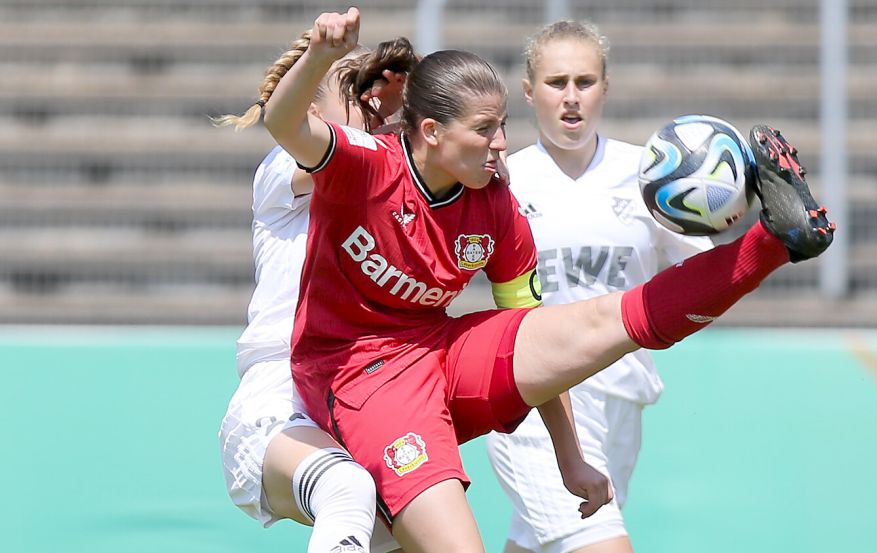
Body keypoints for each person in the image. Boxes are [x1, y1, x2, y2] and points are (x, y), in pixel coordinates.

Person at [263, 8, 834, 553]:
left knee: (604, 318)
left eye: (503, 126)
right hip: (359, 374)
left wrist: (571, 456)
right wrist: (319, 55)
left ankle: (774, 243)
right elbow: (284, 122)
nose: (502, 144)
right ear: (433, 131)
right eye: (485, 129)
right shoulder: (365, 165)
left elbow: (530, 335)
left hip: (440, 351)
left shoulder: (495, 205)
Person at [484, 20, 714, 553]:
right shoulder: (502, 181)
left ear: (605, 88)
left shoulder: (653, 175)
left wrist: (752, 241)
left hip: (621, 399)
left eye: (584, 82)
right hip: (536, 400)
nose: (571, 98)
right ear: (528, 92)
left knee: (538, 543)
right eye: (556, 82)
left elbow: (698, 283)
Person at [215, 33, 416, 553]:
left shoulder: (390, 187)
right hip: (281, 393)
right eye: (356, 93)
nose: (373, 108)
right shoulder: (283, 169)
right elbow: (337, 158)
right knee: (345, 488)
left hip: (360, 392)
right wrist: (324, 58)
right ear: (307, 107)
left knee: (420, 524)